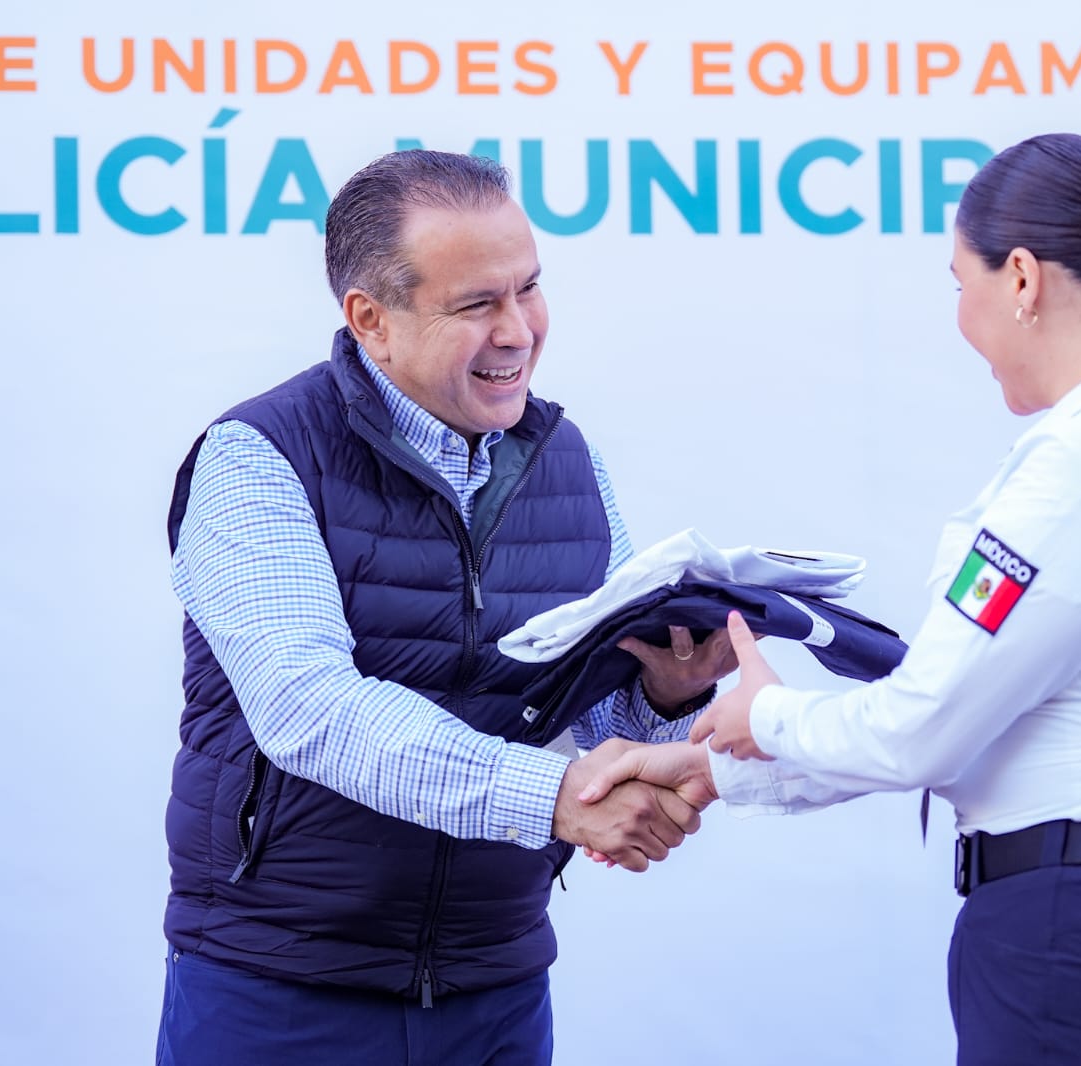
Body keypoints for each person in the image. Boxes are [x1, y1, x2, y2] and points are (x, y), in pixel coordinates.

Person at [582, 133, 1081, 1065]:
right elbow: (982, 730)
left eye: (957, 281)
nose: (959, 316)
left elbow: (924, 728)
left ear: (1021, 279)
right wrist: (719, 766)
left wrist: (767, 714)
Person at [157, 149, 737, 1066]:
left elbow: (591, 708)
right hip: (280, 991)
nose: (519, 331)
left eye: (529, 289)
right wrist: (553, 799)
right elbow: (313, 714)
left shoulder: (566, 457)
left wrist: (666, 693)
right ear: (371, 321)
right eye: (477, 305)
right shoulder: (257, 458)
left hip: (495, 987)